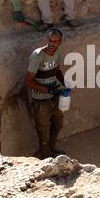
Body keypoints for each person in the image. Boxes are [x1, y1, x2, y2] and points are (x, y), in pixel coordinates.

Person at [25, 28, 66, 159]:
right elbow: (28, 81)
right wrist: (47, 90)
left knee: (56, 126)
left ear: (60, 42)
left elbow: (57, 71)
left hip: (55, 96)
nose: (52, 44)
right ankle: (46, 159)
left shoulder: (58, 52)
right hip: (41, 101)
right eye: (50, 40)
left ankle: (52, 151)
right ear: (47, 39)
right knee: (43, 132)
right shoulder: (38, 56)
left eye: (55, 41)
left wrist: (65, 83)